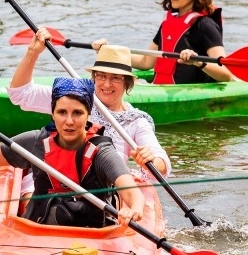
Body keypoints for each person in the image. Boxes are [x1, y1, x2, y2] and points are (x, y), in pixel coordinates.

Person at [0, 77, 144, 228]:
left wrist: (134, 209)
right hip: (39, 229)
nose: (69, 121)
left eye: (77, 113)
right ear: (52, 114)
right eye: (62, 112)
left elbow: (130, 191)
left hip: (92, 231)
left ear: (88, 115)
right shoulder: (36, 142)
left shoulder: (101, 151)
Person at [9, 29, 171, 181]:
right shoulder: (74, 98)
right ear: (94, 77)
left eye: (115, 78)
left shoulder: (135, 121)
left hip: (102, 187)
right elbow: (21, 94)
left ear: (127, 83)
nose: (106, 84)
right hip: (57, 178)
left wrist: (150, 161)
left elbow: (162, 165)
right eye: (101, 76)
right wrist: (32, 53)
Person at [93, 0, 233, 84]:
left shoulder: (205, 25)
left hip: (190, 94)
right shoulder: (168, 23)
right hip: (160, 87)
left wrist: (198, 62)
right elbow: (146, 61)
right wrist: (108, 51)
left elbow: (226, 74)